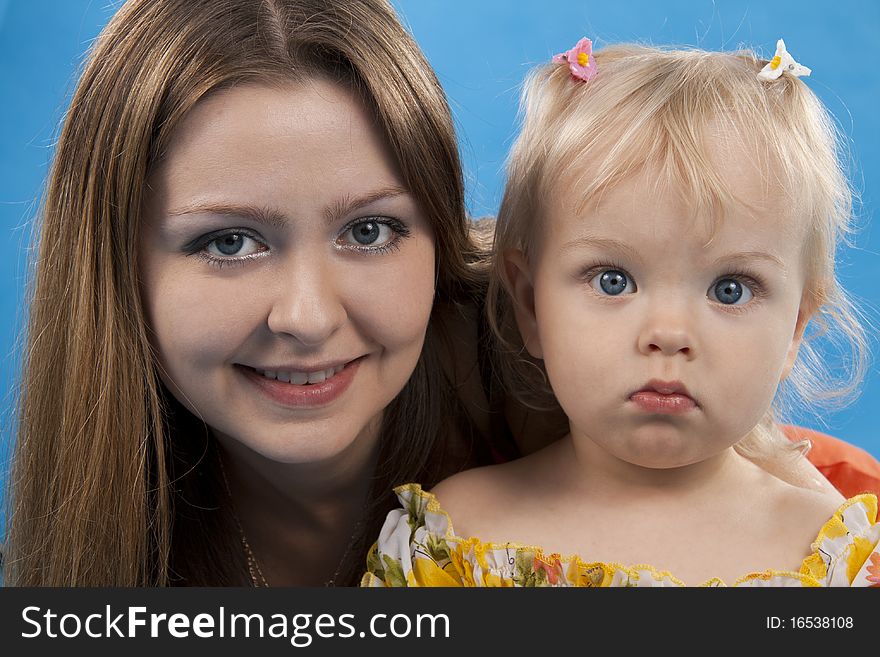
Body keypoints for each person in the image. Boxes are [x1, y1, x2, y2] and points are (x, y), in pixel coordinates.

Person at [3, 0, 499, 587]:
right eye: (231, 243)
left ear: (439, 238)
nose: (308, 318)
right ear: (115, 268)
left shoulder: (564, 389)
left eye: (368, 231)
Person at [363, 39, 880, 587]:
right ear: (531, 304)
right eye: (614, 281)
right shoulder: (455, 539)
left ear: (797, 325)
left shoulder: (838, 557)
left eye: (730, 289)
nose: (669, 334)